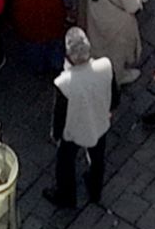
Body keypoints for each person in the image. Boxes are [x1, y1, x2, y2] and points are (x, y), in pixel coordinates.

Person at [49, 27, 114, 205]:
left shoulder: (64, 83)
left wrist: (56, 134)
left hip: (74, 131)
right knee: (98, 160)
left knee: (65, 163)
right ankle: (95, 191)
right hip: (100, 123)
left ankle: (66, 197)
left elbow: (59, 115)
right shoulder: (105, 66)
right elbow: (115, 96)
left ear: (69, 56)